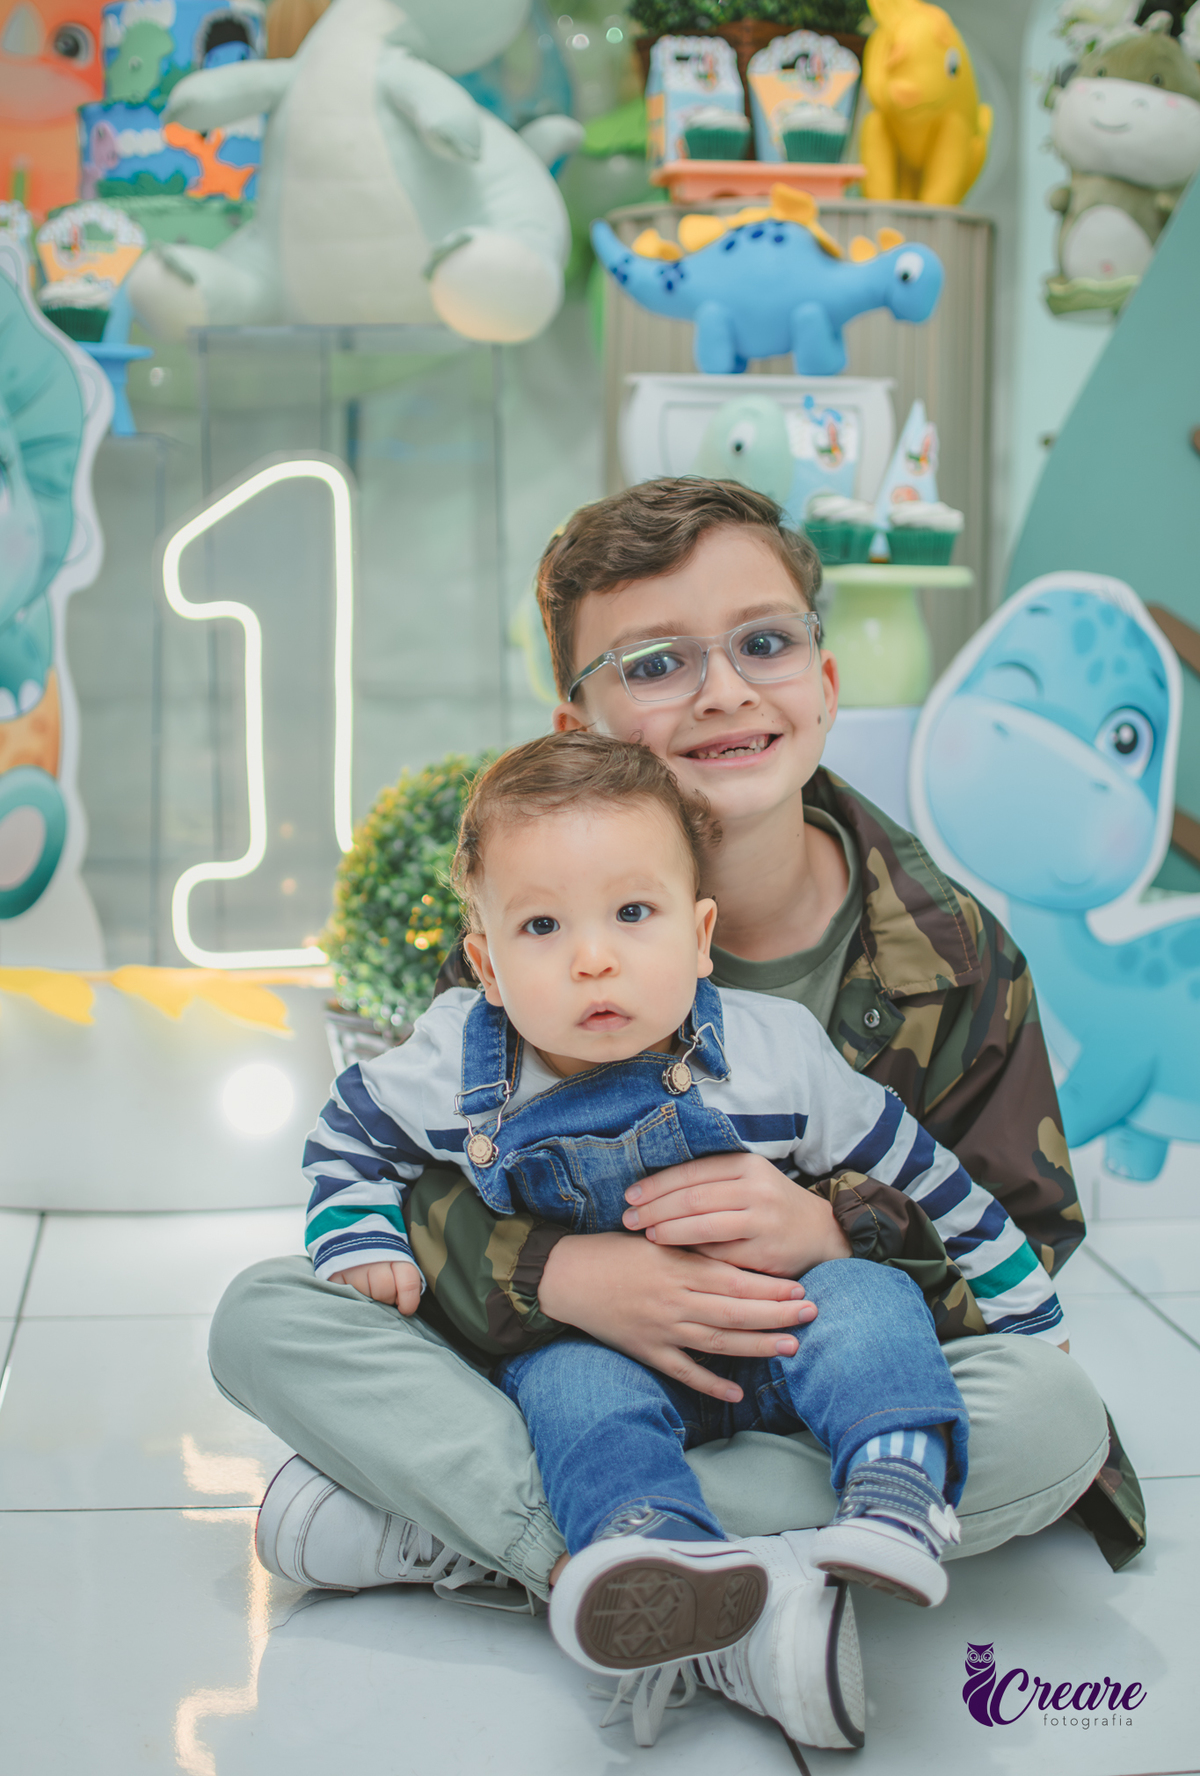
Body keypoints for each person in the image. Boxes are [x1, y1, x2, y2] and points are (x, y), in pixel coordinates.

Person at [212, 479, 1138, 1740]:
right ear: (578, 722)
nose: (722, 691)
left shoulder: (958, 955)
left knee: (1053, 1418)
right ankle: (725, 1582)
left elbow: (1026, 1241)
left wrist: (834, 1234)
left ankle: (536, 1542)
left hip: (824, 1373)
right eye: (655, 662)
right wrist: (565, 1274)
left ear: (820, 675)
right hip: (578, 1372)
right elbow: (415, 1184)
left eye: (765, 641)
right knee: (266, 1316)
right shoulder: (528, 940)